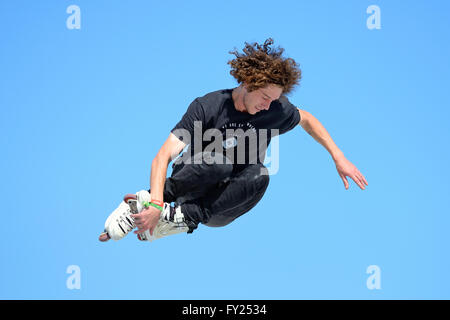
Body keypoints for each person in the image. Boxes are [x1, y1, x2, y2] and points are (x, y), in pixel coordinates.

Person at [99, 38, 368, 243]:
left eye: (274, 100)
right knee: (220, 163)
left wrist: (338, 156)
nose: (268, 106)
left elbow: (306, 118)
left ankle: (180, 217)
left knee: (261, 174)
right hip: (196, 176)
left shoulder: (275, 109)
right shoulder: (208, 106)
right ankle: (149, 203)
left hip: (222, 203)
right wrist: (157, 202)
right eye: (265, 97)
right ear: (248, 82)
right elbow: (164, 155)